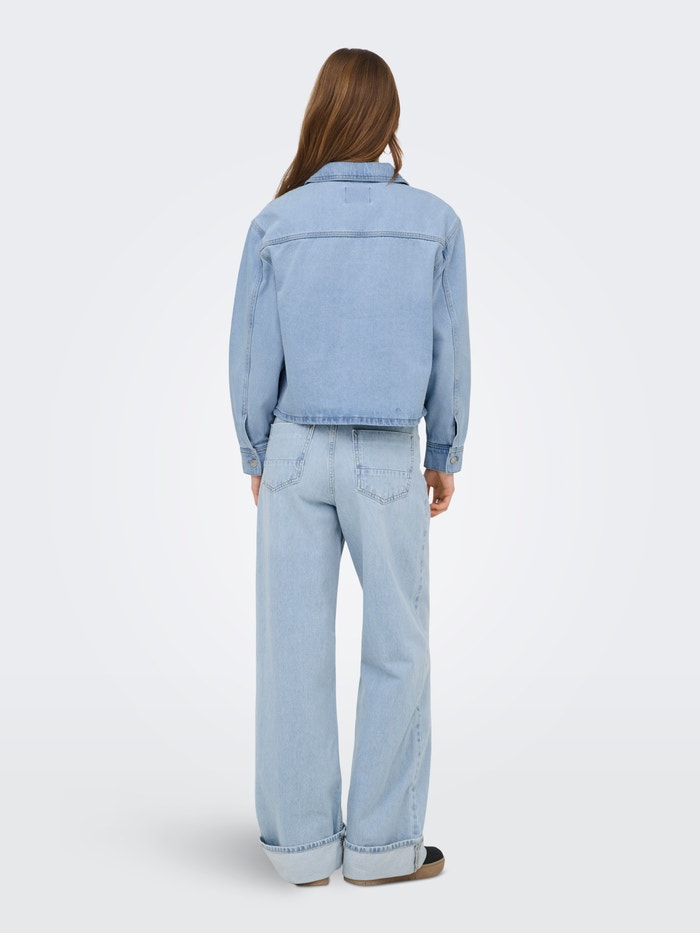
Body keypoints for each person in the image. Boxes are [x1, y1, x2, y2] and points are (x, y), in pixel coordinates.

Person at [228, 47, 471, 887]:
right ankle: (380, 848)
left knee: (291, 650)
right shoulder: (435, 221)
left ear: (322, 114)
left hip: (294, 449)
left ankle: (300, 850)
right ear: (389, 120)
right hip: (388, 455)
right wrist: (444, 451)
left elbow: (251, 350)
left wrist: (256, 450)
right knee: (398, 645)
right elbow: (449, 346)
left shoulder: (278, 220)